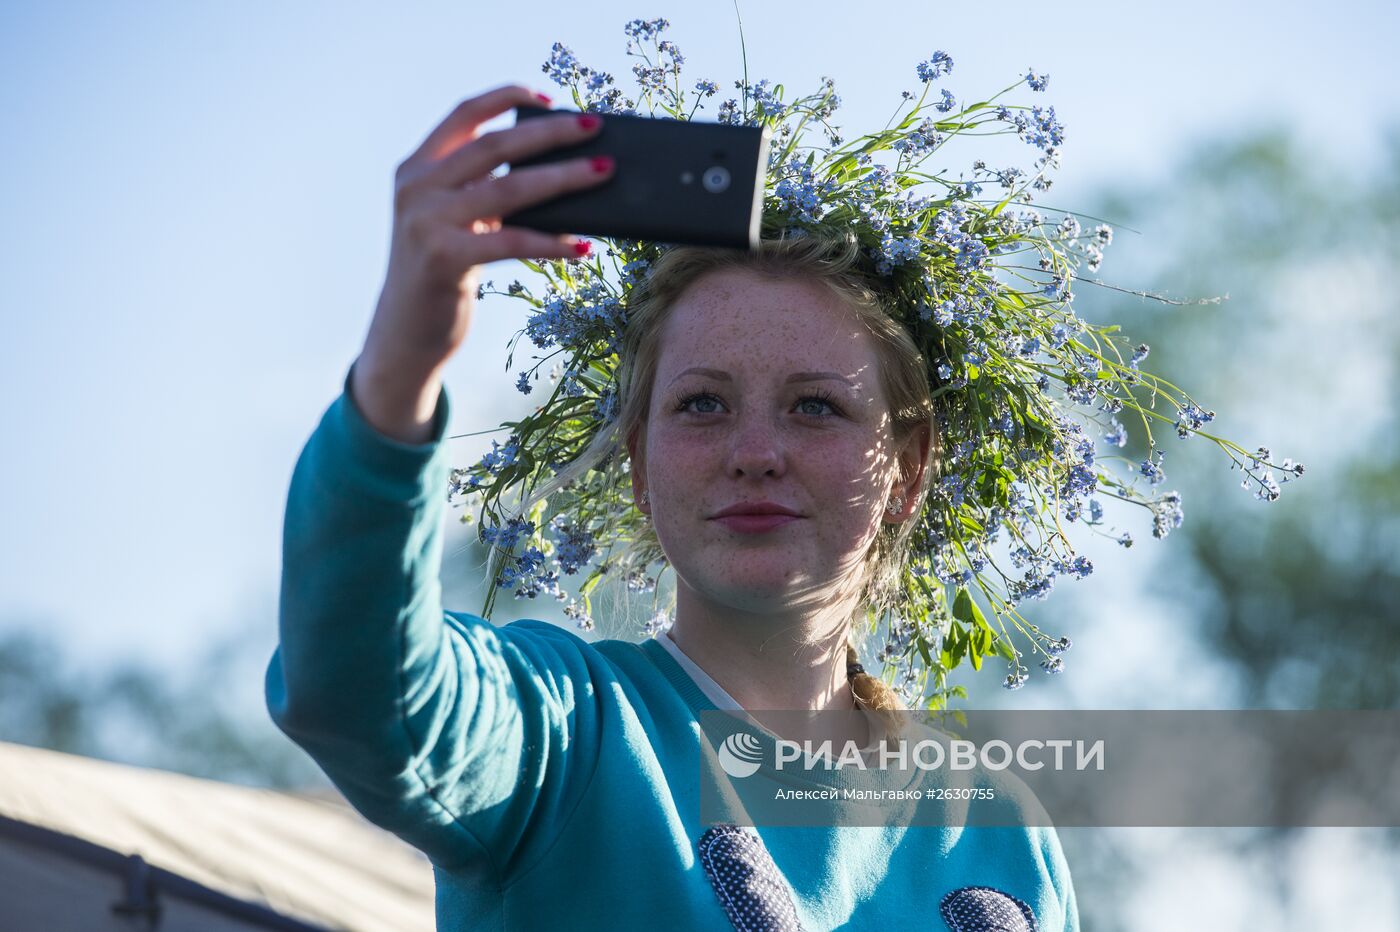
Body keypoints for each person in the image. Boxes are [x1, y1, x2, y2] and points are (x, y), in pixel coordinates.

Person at [265, 83, 1079, 931]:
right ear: (638, 465)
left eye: (814, 406)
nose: (754, 454)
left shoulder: (1000, 835)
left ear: (908, 470)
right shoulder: (566, 735)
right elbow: (358, 692)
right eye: (701, 404)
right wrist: (403, 364)